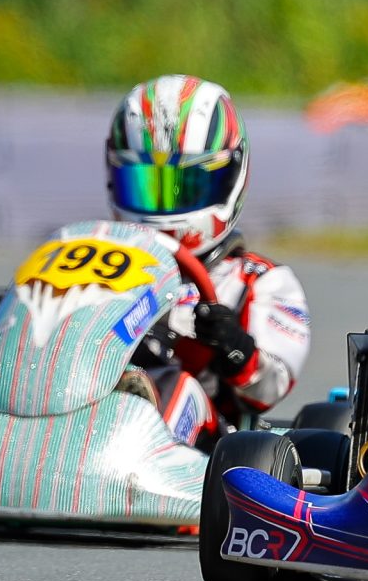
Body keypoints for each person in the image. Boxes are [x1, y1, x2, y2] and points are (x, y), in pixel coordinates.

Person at [104, 75, 312, 438]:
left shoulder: (257, 281)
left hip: (205, 445)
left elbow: (270, 388)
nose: (165, 205)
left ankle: (142, 405)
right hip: (89, 406)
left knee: (174, 382)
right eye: (147, 185)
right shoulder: (97, 264)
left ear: (229, 177)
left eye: (186, 186)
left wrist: (234, 347)